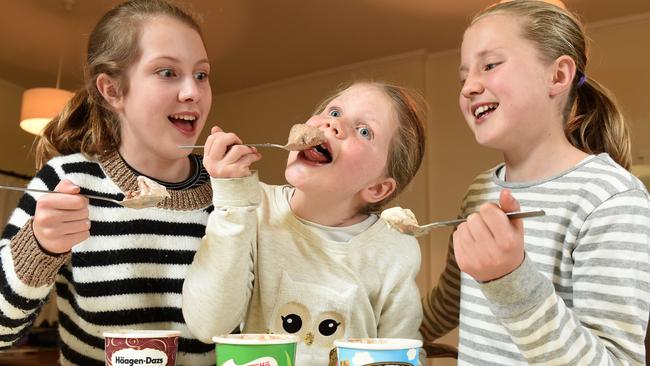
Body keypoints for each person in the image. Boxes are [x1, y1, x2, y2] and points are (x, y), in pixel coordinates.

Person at [420, 1, 650, 364]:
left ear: (558, 76)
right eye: (464, 77)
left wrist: (509, 279)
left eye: (490, 65)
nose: (468, 88)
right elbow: (450, 302)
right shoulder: (479, 192)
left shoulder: (612, 199)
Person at [0, 0, 216, 364]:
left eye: (201, 74)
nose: (193, 92)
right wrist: (39, 245)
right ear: (113, 90)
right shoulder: (66, 179)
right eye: (167, 72)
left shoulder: (230, 192)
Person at [182, 81, 427, 365]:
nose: (334, 125)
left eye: (364, 131)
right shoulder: (252, 206)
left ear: (377, 188)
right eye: (333, 112)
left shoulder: (395, 249)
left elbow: (401, 355)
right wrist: (231, 202)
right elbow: (207, 326)